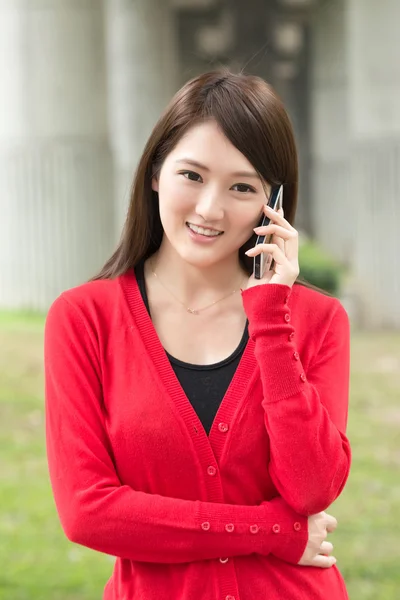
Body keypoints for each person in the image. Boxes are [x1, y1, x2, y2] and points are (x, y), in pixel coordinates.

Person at [44, 69, 351, 600]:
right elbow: (88, 512)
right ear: (156, 171)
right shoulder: (83, 318)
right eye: (192, 175)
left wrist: (271, 318)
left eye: (242, 187)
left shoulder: (315, 321)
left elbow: (311, 488)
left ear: (271, 204)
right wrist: (272, 532)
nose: (210, 209)